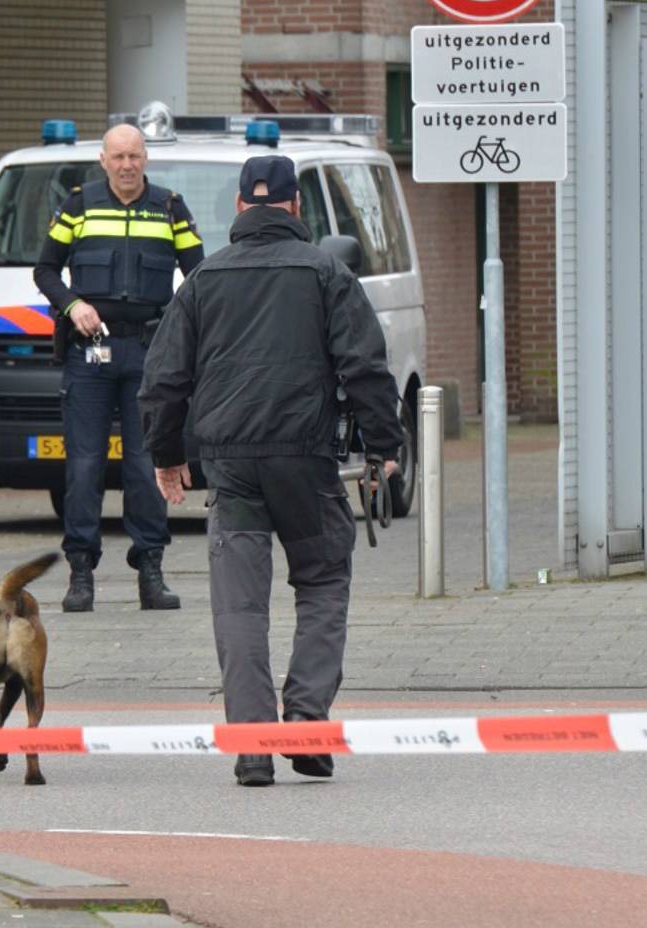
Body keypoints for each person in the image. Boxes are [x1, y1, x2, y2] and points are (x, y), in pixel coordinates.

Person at [138, 155, 402, 786]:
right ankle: (307, 727)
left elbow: (165, 377)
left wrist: (167, 456)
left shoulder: (203, 279)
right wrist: (384, 444)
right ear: (294, 208)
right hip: (305, 460)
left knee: (240, 605)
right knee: (322, 582)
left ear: (237, 208)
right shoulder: (326, 272)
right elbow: (364, 366)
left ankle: (253, 745)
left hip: (230, 464)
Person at [34, 124, 205, 613]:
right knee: (84, 465)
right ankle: (81, 573)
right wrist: (71, 305)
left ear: (145, 158)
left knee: (146, 465)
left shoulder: (169, 207)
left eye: (134, 155)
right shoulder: (77, 206)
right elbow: (45, 269)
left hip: (149, 354)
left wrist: (180, 325)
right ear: (102, 160)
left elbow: (199, 276)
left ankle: (150, 569)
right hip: (89, 351)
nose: (127, 165)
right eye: (118, 157)